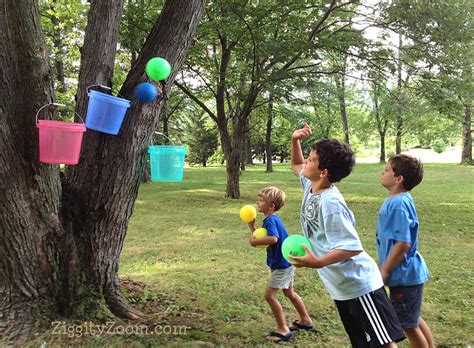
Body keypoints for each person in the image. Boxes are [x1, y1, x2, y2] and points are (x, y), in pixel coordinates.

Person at [288, 123, 405, 347]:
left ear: (323, 172)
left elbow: (351, 247)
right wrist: (296, 141)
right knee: (362, 343)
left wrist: (318, 261)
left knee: (384, 343)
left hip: (359, 285)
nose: (306, 162)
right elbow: (296, 163)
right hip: (342, 287)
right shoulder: (311, 184)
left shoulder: (331, 203)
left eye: (311, 160)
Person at [377, 155, 434, 348]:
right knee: (413, 318)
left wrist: (385, 270)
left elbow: (403, 243)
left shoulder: (398, 204)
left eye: (386, 170)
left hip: (404, 276)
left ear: (398, 178)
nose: (381, 173)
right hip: (407, 274)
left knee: (407, 324)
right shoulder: (400, 199)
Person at [247, 186, 313, 343]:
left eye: (261, 200)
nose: (258, 202)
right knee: (289, 292)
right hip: (285, 262)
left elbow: (272, 239)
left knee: (269, 296)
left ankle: (283, 329)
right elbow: (264, 236)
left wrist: (254, 242)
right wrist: (252, 227)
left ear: (271, 206)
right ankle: (305, 320)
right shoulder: (271, 219)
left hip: (282, 266)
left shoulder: (271, 220)